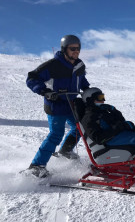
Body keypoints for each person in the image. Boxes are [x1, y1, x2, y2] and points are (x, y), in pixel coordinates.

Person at [24, 35, 90, 178]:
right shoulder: (53, 65)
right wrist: (45, 91)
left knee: (79, 129)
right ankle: (36, 166)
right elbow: (32, 78)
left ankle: (65, 151)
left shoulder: (79, 65)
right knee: (56, 134)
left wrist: (88, 90)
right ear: (64, 49)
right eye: (72, 49)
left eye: (78, 49)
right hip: (55, 105)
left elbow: (82, 80)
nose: (76, 51)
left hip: (71, 105)